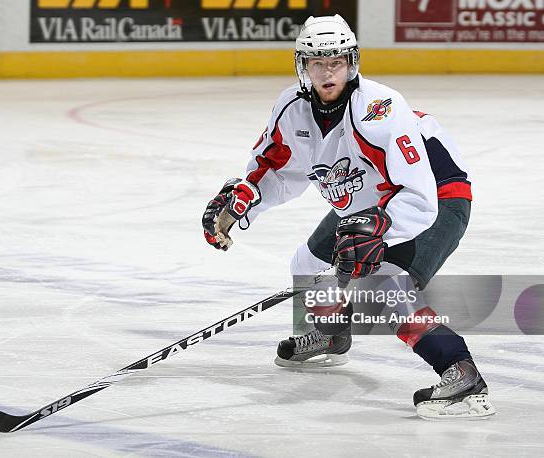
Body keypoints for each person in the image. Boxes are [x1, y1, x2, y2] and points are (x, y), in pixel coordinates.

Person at [201, 15, 494, 419]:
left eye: (336, 61)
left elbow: (419, 193)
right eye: (317, 62)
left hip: (435, 198)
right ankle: (332, 336)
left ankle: (461, 373)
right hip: (364, 201)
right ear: (302, 66)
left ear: (352, 62)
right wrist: (244, 200)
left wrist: (382, 226)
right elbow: (276, 170)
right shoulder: (292, 108)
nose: (328, 72)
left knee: (383, 288)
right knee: (307, 265)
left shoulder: (379, 109)